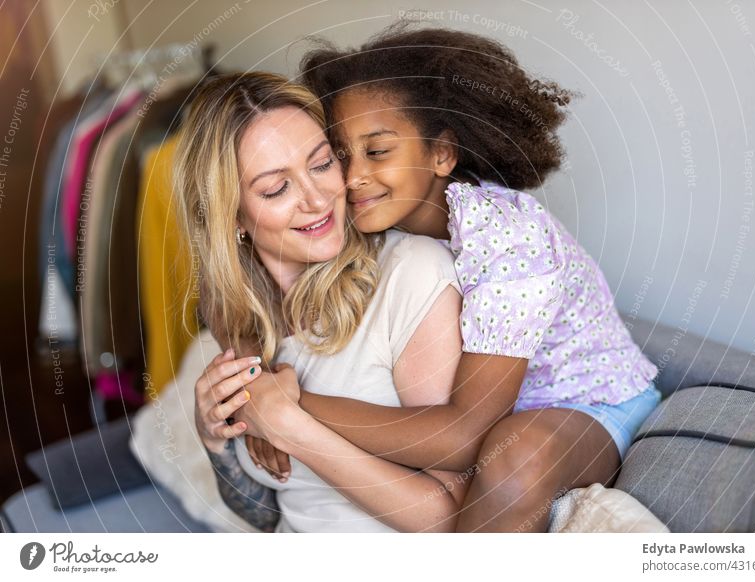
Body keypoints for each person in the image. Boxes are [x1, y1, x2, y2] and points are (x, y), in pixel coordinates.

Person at [247, 24, 663, 532]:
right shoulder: (366, 223)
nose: (352, 176)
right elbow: (260, 285)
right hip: (499, 410)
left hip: (589, 400)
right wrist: (251, 382)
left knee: (513, 461)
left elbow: (467, 435)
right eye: (340, 154)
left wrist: (291, 407)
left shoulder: (511, 237)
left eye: (378, 152)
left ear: (441, 154)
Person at [173, 71, 470, 532]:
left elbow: (450, 518)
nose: (317, 199)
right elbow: (264, 514)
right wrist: (213, 440)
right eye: (276, 188)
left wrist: (288, 423)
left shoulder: (412, 274)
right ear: (232, 214)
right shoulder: (246, 326)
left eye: (321, 164)